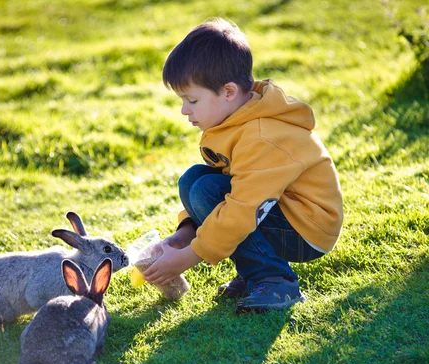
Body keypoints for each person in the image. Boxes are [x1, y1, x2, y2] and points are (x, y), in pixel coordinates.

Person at [142, 18, 343, 313]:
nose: (185, 110)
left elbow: (241, 208)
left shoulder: (260, 136)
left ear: (228, 92)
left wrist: (189, 257)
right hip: (280, 210)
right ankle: (253, 273)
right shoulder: (237, 118)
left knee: (207, 190)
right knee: (194, 180)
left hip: (308, 228)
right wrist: (185, 233)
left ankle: (275, 281)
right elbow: (236, 187)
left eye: (192, 100)